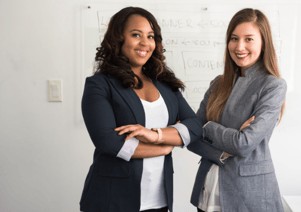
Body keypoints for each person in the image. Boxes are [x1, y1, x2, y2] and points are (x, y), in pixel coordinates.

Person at [79, 7, 202, 212]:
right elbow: (108, 142)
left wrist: (156, 136)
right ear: (118, 38)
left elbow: (195, 126)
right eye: (136, 35)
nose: (145, 43)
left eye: (150, 36)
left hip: (159, 201)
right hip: (112, 200)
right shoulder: (100, 84)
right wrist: (163, 148)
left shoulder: (165, 85)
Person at [187, 8, 287, 212]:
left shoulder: (273, 86)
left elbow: (244, 143)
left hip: (249, 195)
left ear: (263, 42)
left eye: (248, 39)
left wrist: (207, 126)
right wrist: (222, 152)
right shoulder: (218, 83)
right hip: (208, 188)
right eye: (234, 38)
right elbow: (191, 137)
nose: (239, 46)